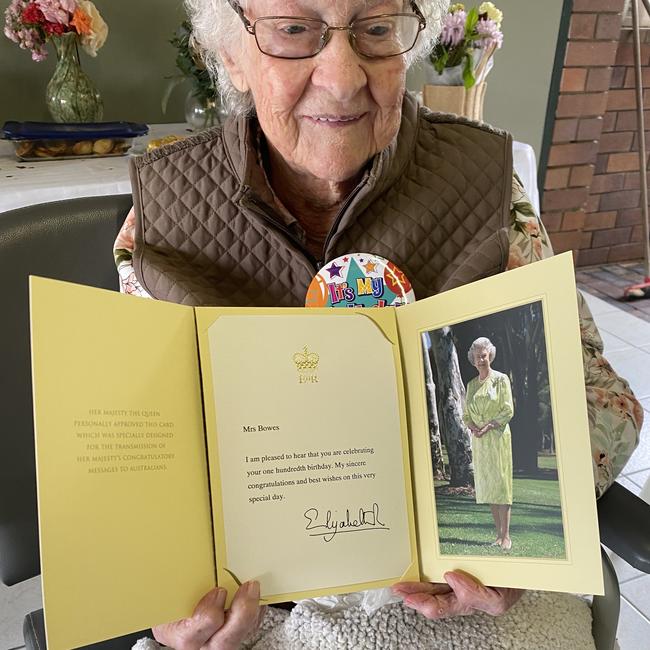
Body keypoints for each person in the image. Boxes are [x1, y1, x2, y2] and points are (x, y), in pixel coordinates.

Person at [113, 0, 643, 647]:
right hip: (258, 611)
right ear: (231, 54)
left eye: (375, 29)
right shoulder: (164, 217)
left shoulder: (487, 186)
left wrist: (522, 542)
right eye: (293, 30)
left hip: (462, 592)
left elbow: (602, 403)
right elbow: (138, 461)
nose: (341, 76)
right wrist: (170, 604)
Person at [463, 337, 514, 551]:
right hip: (480, 442)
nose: (481, 360)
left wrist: (489, 426)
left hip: (497, 437)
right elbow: (466, 414)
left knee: (502, 486)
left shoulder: (501, 380)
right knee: (490, 487)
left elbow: (508, 409)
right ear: (473, 360)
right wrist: (473, 427)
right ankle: (497, 534)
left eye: (484, 356)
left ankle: (507, 536)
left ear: (490, 355)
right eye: (477, 357)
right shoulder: (472, 385)